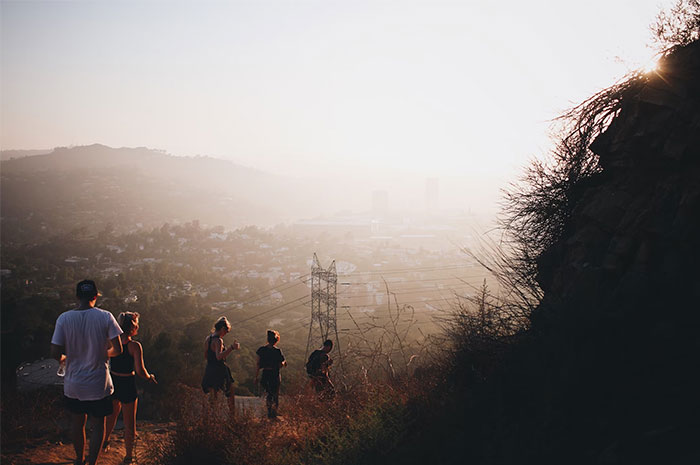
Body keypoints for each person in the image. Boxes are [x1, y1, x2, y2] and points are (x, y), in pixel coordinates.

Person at [50, 280, 123, 465]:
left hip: (74, 384)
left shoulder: (64, 318)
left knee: (77, 423)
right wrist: (104, 353)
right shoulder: (105, 316)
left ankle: (79, 459)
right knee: (98, 424)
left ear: (76, 297)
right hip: (98, 383)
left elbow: (54, 351)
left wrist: (64, 359)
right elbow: (118, 349)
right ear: (96, 296)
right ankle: (92, 462)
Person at [103, 312, 157, 464]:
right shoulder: (135, 346)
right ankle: (128, 456)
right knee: (129, 423)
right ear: (134, 327)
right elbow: (140, 371)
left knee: (110, 417)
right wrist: (149, 377)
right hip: (127, 383)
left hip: (113, 382)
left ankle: (104, 441)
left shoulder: (111, 342)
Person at [201, 316, 240, 417]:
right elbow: (219, 356)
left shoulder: (208, 338)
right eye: (226, 331)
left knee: (213, 394)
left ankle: (211, 417)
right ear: (222, 329)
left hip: (210, 367)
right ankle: (232, 416)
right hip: (219, 368)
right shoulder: (218, 340)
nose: (226, 333)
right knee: (230, 392)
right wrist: (231, 348)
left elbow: (206, 355)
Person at [255, 330, 287, 418]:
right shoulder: (278, 351)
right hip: (275, 373)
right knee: (275, 394)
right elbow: (282, 362)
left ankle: (270, 411)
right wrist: (283, 363)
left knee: (269, 393)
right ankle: (274, 412)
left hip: (265, 373)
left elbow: (258, 364)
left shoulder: (261, 350)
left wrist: (256, 376)